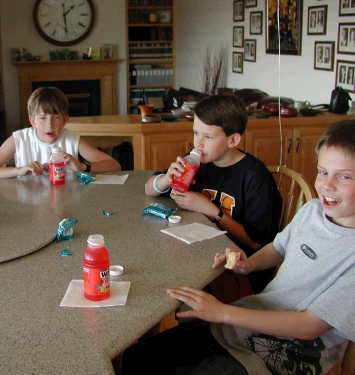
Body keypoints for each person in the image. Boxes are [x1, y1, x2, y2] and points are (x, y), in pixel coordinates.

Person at [123, 120, 355, 375]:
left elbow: (309, 327)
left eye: (343, 176)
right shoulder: (313, 211)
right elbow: (277, 248)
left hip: (290, 354)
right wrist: (249, 264)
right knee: (136, 359)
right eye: (323, 171)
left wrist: (222, 311)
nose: (326, 185)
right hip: (249, 322)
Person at [145, 94, 282, 295]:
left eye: (208, 137)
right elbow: (148, 188)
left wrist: (210, 211)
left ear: (233, 140)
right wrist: (166, 179)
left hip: (241, 268)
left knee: (176, 289)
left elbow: (256, 242)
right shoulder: (198, 163)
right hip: (202, 254)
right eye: (195, 133)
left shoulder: (255, 176)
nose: (198, 144)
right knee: (156, 272)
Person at [0, 87, 120, 178]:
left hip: (67, 202)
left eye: (56, 118)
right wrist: (18, 170)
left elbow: (114, 165)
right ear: (32, 121)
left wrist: (81, 166)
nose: (49, 125)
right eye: (42, 118)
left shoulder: (72, 139)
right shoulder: (19, 139)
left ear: (65, 120)